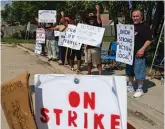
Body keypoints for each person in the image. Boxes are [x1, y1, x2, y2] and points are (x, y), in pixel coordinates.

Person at [118, 10, 152, 98]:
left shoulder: (145, 27)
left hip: (139, 54)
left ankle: (140, 89)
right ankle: (130, 86)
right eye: (133, 16)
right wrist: (119, 42)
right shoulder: (129, 27)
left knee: (139, 71)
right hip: (128, 54)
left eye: (137, 16)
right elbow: (123, 38)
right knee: (129, 70)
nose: (135, 18)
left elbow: (149, 40)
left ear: (141, 17)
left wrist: (142, 49)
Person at [85, 4, 102, 75]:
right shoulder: (87, 25)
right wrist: (85, 44)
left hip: (96, 47)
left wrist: (98, 10)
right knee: (89, 62)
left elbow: (98, 18)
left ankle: (100, 74)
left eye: (92, 17)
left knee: (98, 62)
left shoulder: (97, 23)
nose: (91, 18)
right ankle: (89, 73)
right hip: (88, 47)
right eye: (90, 17)